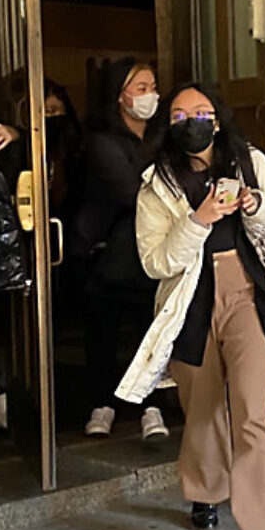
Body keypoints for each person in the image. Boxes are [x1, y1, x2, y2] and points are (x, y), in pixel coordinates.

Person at [119, 84, 265, 530]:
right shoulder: (157, 184)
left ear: (218, 117)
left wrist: (255, 205)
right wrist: (198, 220)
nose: (194, 121)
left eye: (203, 112)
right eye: (182, 114)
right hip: (189, 302)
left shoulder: (246, 159)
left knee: (252, 412)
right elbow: (156, 261)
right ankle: (207, 491)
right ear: (169, 124)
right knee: (204, 407)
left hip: (246, 293)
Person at [74, 60, 171, 441]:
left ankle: (152, 407)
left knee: (149, 333)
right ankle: (103, 405)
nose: (150, 95)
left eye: (153, 86)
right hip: (107, 252)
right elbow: (132, 192)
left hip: (152, 253)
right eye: (141, 87)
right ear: (120, 96)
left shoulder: (163, 136)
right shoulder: (101, 141)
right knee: (104, 333)